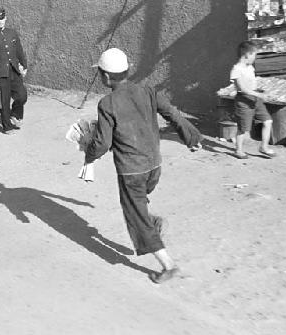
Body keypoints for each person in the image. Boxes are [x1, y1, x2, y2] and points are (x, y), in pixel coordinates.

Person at [84, 48, 202, 284]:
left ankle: (169, 266)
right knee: (138, 205)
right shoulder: (148, 91)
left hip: (131, 170)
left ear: (106, 76)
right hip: (154, 166)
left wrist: (89, 154)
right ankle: (151, 221)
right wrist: (192, 137)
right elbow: (172, 113)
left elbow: (104, 142)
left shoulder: (107, 104)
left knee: (135, 215)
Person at [0, 7, 28, 135]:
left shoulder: (12, 33)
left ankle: (15, 114)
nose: (0, 21)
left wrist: (24, 66)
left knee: (22, 95)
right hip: (0, 73)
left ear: (5, 18)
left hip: (14, 70)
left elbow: (19, 50)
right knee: (4, 100)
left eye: (2, 18)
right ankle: (7, 126)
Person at [230, 41, 276, 159]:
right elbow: (242, 89)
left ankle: (263, 147)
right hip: (244, 101)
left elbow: (251, 84)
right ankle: (238, 150)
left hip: (255, 99)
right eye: (254, 55)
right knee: (243, 128)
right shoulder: (236, 70)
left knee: (267, 121)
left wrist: (259, 91)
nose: (255, 58)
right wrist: (259, 95)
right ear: (247, 55)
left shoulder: (250, 67)